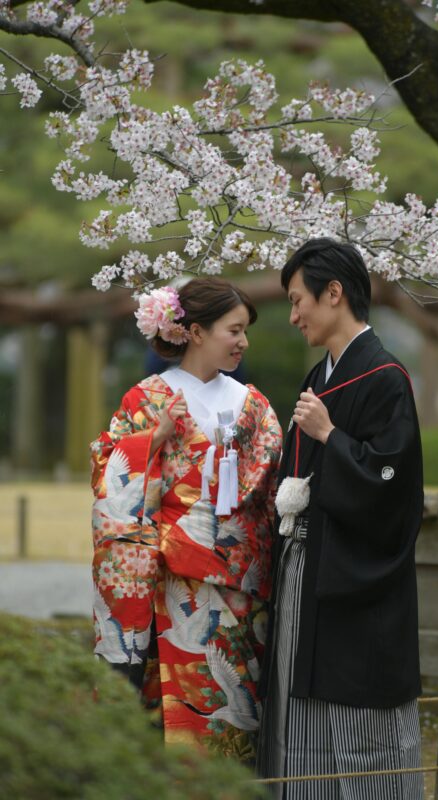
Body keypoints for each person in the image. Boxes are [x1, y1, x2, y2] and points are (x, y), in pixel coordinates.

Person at [257, 238, 424, 798]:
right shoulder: (317, 379)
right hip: (305, 574)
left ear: (335, 293)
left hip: (356, 586)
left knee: (361, 732)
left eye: (298, 298)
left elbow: (393, 491)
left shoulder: (385, 378)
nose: (294, 314)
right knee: (299, 724)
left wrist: (330, 435)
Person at [90, 278, 282, 759]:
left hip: (241, 588)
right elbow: (107, 471)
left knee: (235, 708)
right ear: (195, 331)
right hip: (169, 585)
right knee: (171, 718)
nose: (243, 342)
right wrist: (155, 438)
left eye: (245, 332)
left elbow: (271, 492)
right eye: (233, 330)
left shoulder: (252, 405)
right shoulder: (147, 399)